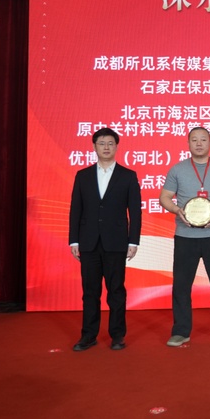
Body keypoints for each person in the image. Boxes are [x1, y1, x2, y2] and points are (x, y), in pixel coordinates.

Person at [159, 127, 210, 346]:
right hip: (185, 236)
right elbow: (164, 197)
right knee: (181, 285)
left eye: (203, 139)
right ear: (188, 144)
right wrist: (176, 210)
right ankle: (181, 331)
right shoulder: (177, 169)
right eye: (194, 140)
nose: (198, 143)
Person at [69, 127, 141, 351]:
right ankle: (88, 335)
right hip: (88, 242)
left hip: (116, 242)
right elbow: (75, 210)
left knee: (116, 291)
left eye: (110, 143)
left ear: (116, 146)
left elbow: (135, 212)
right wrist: (74, 240)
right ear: (94, 147)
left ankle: (117, 336)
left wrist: (133, 241)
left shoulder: (128, 176)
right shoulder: (83, 176)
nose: (106, 147)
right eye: (102, 143)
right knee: (90, 292)